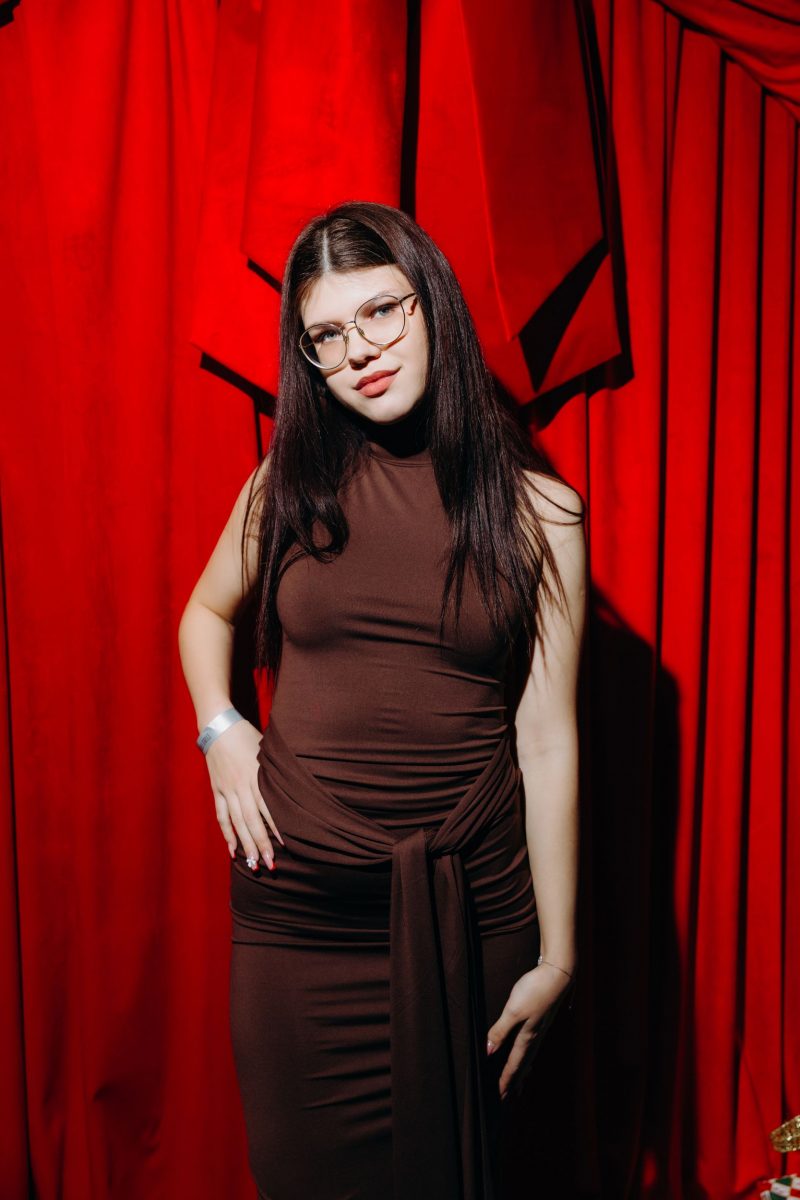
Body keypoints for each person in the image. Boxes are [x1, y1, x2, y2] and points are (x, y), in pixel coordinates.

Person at [178, 200, 586, 1200]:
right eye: (325, 334)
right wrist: (221, 730)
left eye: (379, 312)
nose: (358, 350)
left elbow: (546, 740)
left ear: (432, 305)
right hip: (302, 913)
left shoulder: (541, 513)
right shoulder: (288, 484)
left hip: (469, 906)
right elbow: (203, 613)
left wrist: (559, 956)